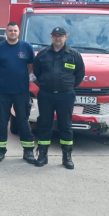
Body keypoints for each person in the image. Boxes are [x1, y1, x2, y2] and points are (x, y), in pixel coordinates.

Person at [33, 26, 85, 170]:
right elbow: (37, 72)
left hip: (66, 95)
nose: (58, 38)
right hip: (46, 94)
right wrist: (44, 84)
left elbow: (80, 74)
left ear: (65, 37)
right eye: (55, 35)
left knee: (65, 126)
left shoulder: (74, 55)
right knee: (44, 125)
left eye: (60, 36)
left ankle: (67, 157)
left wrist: (68, 86)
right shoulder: (42, 54)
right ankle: (42, 155)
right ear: (51, 37)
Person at [0, 21, 36, 164]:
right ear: (6, 32)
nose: (13, 33)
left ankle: (28, 151)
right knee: (2, 121)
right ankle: (0, 151)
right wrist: (6, 77)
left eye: (15, 31)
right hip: (3, 90)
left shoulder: (26, 47)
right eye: (10, 31)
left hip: (21, 91)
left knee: (23, 120)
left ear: (18, 32)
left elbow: (30, 66)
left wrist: (20, 78)